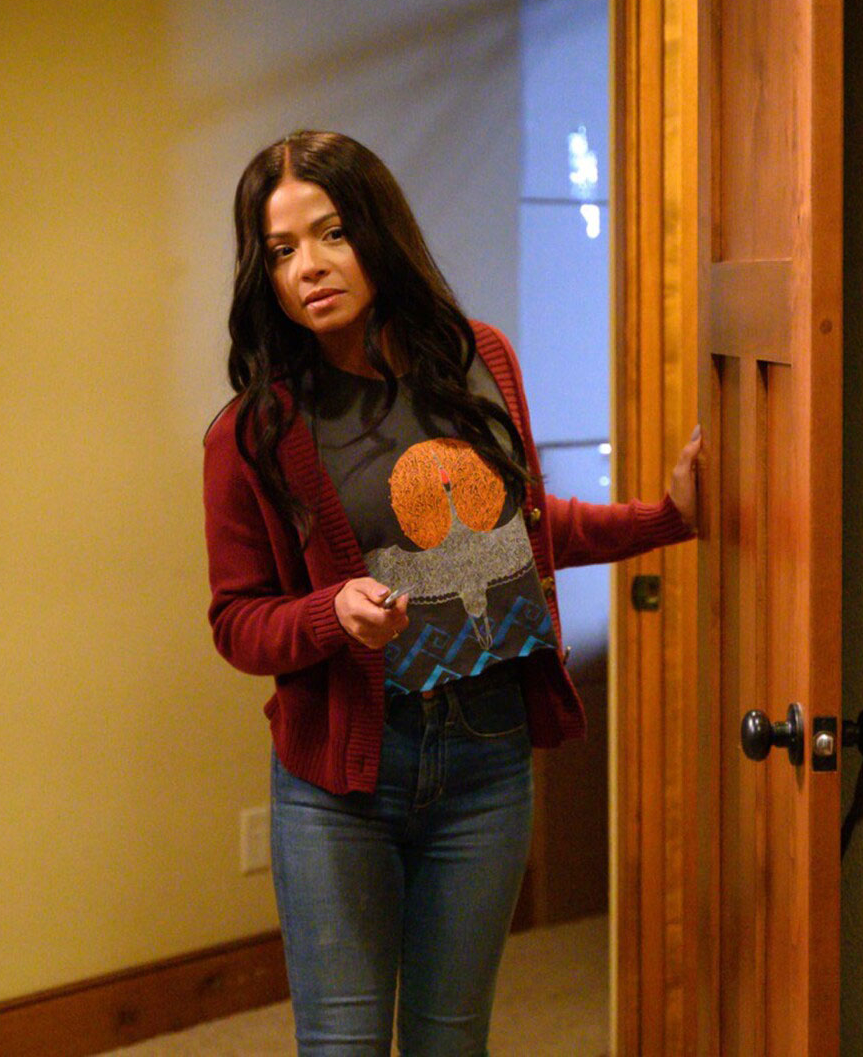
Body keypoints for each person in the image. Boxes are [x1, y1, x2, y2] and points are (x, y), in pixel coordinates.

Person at [202, 129, 703, 1055]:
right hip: (342, 780)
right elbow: (236, 621)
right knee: (344, 1045)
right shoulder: (253, 431)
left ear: (379, 232)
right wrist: (329, 614)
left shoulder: (482, 359)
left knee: (450, 1041)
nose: (309, 266)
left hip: (486, 759)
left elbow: (518, 532)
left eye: (332, 233)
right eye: (280, 250)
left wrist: (664, 519)